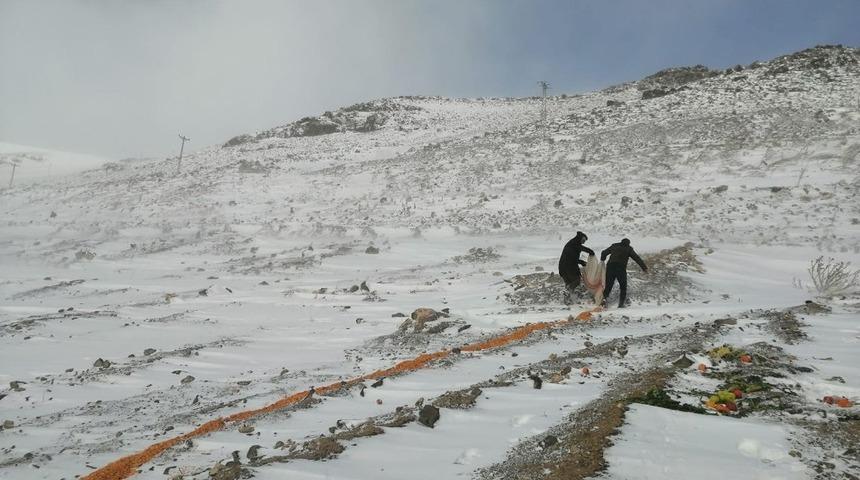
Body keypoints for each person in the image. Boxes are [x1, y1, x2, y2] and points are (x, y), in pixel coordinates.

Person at [600, 238, 647, 308]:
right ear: (628, 243)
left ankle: (603, 300)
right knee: (623, 287)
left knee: (609, 285)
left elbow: (604, 252)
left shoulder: (614, 246)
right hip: (620, 268)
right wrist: (644, 267)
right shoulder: (629, 249)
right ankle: (621, 304)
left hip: (610, 267)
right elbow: (636, 258)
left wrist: (602, 259)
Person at [558, 231, 594, 303]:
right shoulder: (575, 243)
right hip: (570, 267)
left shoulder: (571, 244)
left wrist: (581, 262)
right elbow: (583, 249)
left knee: (569, 283)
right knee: (576, 280)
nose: (583, 242)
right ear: (580, 238)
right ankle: (567, 293)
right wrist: (590, 252)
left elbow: (572, 257)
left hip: (562, 267)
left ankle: (567, 300)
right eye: (583, 240)